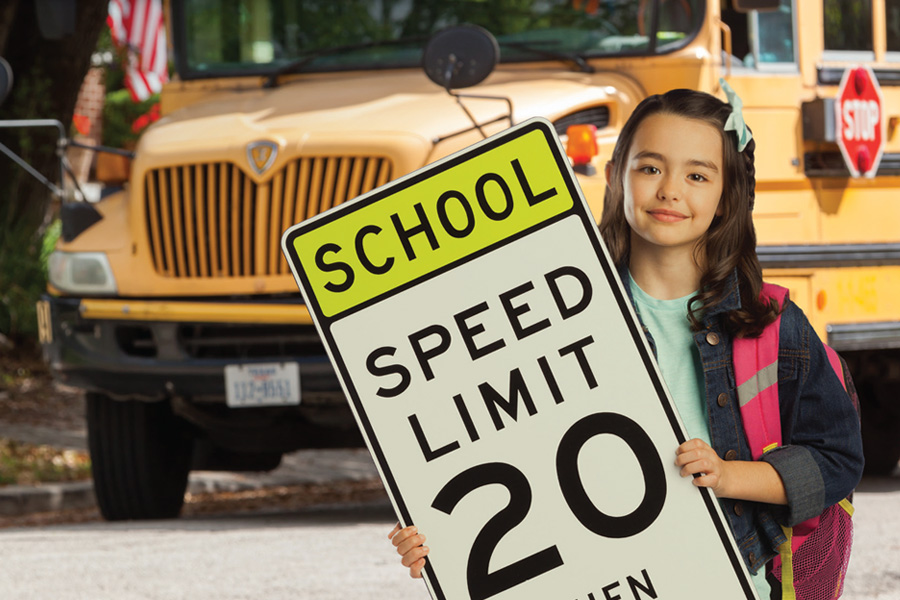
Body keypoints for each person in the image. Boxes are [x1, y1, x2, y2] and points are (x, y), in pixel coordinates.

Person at [389, 83, 864, 599]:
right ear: (615, 177)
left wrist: (730, 476)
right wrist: (439, 539)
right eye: (650, 167)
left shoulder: (770, 324)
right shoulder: (541, 317)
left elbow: (836, 460)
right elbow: (499, 451)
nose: (669, 190)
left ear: (728, 198)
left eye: (698, 175)